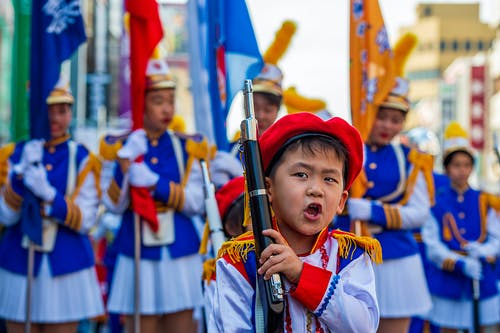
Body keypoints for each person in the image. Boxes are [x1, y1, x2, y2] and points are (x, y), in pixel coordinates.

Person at [210, 112, 382, 332]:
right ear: (268, 189)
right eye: (301, 174)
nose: (316, 189)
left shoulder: (350, 255)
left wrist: (301, 273)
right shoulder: (239, 262)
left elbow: (364, 326)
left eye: (329, 179)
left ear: (341, 200)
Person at [335, 33, 434, 333]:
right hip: (348, 254)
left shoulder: (412, 159)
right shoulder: (345, 151)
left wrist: (372, 211)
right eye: (382, 117)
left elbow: (420, 213)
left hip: (396, 260)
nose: (388, 126)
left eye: (396, 120)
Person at [102, 57, 206, 333]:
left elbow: (196, 202)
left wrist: (155, 184)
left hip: (179, 251)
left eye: (170, 100)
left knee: (182, 326)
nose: (167, 109)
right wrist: (125, 165)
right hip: (137, 249)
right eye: (158, 100)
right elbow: (112, 206)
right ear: (141, 102)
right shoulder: (120, 146)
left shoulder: (188, 148)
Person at [0, 76, 104, 332]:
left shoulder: (82, 158)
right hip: (20, 263)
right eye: (48, 110)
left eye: (62, 110)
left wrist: (48, 195)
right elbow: (5, 216)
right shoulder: (13, 155)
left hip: (66, 265)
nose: (55, 118)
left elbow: (87, 220)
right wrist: (20, 177)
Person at [422, 122, 500, 332]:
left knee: (488, 327)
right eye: (456, 165)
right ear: (447, 168)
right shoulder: (435, 203)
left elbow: (496, 236)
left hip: (482, 276)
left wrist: (484, 250)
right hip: (450, 279)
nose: (462, 170)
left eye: (466, 165)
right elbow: (432, 245)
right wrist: (459, 263)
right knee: (448, 328)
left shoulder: (485, 200)